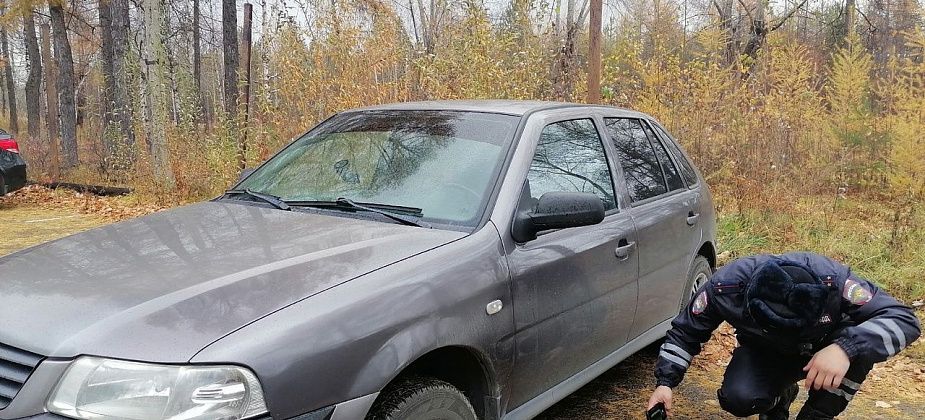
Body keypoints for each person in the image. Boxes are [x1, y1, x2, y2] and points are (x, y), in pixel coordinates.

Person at [646, 252, 921, 419]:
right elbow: (685, 332)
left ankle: (818, 415)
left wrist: (844, 348)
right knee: (737, 399)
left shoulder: (836, 282)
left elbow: (904, 319)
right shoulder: (726, 287)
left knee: (858, 351)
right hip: (764, 351)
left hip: (826, 354)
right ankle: (778, 398)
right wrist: (665, 383)